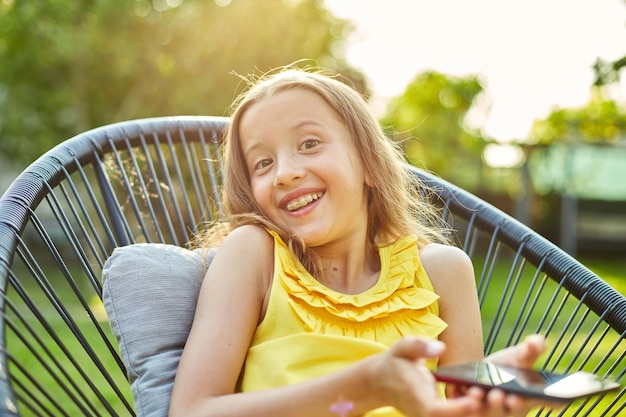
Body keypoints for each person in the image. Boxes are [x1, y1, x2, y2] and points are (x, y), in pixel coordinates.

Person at [169, 67, 557, 417]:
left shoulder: (443, 273)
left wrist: (489, 406)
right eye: (263, 163)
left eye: (309, 144)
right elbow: (192, 411)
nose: (285, 173)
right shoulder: (255, 254)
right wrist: (360, 389)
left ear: (368, 164)